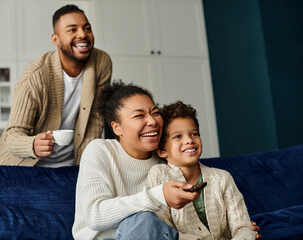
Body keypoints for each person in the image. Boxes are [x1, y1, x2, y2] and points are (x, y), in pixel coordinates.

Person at [73, 81, 261, 240]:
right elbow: (95, 215)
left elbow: (177, 227)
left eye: (155, 112)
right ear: (117, 128)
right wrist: (158, 195)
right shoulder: (100, 151)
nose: (152, 121)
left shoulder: (167, 161)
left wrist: (238, 230)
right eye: (139, 115)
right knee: (144, 220)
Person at [0, 4, 112, 167]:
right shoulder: (35, 76)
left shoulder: (101, 62)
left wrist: (85, 166)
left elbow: (95, 119)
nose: (82, 34)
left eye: (87, 28)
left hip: (71, 165)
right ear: (55, 39)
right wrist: (33, 144)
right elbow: (12, 135)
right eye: (72, 30)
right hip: (27, 166)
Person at [146, 101, 257, 239]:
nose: (189, 140)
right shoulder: (159, 175)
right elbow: (163, 230)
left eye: (194, 134)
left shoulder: (222, 178)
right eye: (178, 136)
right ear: (162, 151)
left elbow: (244, 226)